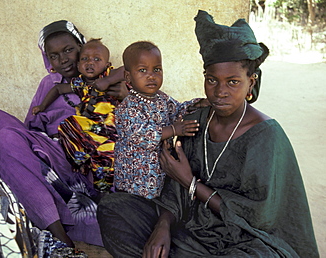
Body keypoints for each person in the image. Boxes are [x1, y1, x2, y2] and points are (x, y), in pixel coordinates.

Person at [97, 10, 319, 257]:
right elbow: (173, 191)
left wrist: (190, 182)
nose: (220, 92)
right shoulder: (196, 120)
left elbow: (259, 218)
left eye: (233, 82)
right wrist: (163, 226)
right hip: (191, 228)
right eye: (212, 80)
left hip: (244, 239)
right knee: (113, 208)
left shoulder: (266, 136)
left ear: (251, 83)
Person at [0, 20, 128, 248]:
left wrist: (128, 95)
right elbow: (31, 128)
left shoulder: (111, 81)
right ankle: (4, 189)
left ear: (81, 47)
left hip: (80, 160)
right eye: (54, 55)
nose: (63, 60)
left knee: (7, 138)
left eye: (69, 50)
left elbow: (149, 107)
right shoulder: (49, 84)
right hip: (46, 149)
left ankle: (58, 234)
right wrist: (32, 145)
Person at [114, 41, 207, 199]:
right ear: (128, 77)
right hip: (135, 179)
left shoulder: (161, 98)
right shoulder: (127, 108)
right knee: (137, 208)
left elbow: (178, 110)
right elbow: (141, 135)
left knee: (159, 200)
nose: (151, 76)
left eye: (157, 69)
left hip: (157, 173)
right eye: (143, 70)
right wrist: (174, 130)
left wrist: (199, 103)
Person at [32, 38, 124, 192]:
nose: (90, 63)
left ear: (107, 64)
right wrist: (42, 106)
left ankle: (102, 190)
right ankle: (83, 164)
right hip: (92, 129)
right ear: (78, 64)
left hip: (112, 128)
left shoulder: (108, 74)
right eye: (84, 59)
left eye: (97, 59)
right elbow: (58, 89)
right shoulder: (80, 83)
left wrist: (108, 81)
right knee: (68, 126)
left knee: (107, 163)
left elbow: (126, 69)